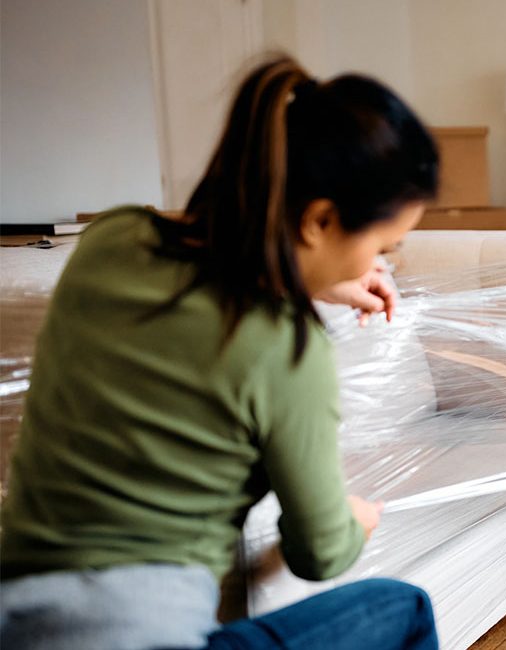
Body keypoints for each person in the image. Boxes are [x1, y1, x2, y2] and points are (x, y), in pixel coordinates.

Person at [0, 57, 440, 650]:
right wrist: (355, 521)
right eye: (382, 245)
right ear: (320, 220)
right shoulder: (287, 350)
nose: (377, 266)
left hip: (17, 616)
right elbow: (320, 553)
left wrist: (305, 274)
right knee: (403, 606)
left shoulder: (110, 242)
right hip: (144, 638)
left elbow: (205, 249)